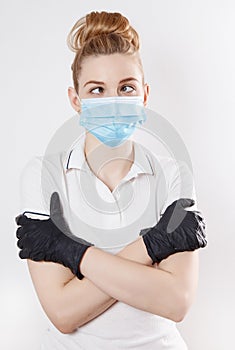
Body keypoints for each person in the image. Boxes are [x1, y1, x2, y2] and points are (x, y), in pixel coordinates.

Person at [15, 11, 206, 350]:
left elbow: (177, 302)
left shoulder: (173, 174)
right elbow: (62, 313)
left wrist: (68, 251)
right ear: (76, 100)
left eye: (126, 88)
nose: (113, 101)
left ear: (144, 97)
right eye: (97, 90)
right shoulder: (44, 175)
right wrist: (153, 246)